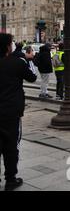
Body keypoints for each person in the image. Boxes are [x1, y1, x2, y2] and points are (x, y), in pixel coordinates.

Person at [0, 33, 37, 191]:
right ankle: (10, 179)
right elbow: (33, 77)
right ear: (8, 46)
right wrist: (28, 60)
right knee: (11, 146)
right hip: (10, 112)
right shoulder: (17, 63)